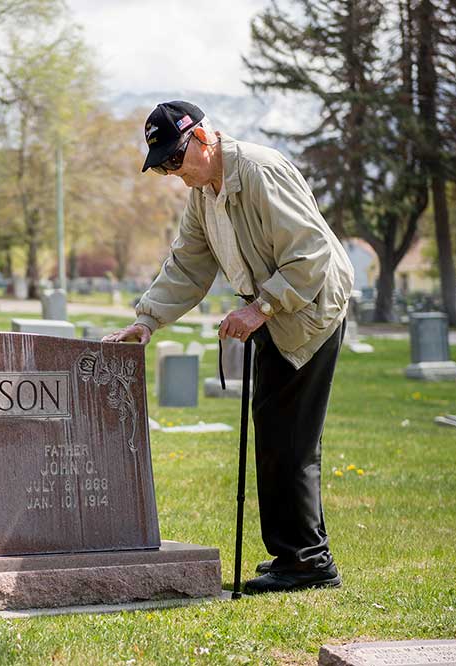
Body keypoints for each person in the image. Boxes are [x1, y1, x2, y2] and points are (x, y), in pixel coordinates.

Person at [103, 101, 354, 594]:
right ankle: (300, 556)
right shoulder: (203, 194)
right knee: (278, 434)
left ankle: (305, 562)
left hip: (310, 311)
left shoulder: (260, 171)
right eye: (165, 166)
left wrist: (259, 308)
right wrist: (146, 321)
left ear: (202, 138)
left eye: (176, 159)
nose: (174, 172)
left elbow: (312, 253)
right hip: (277, 311)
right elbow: (188, 265)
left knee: (290, 439)